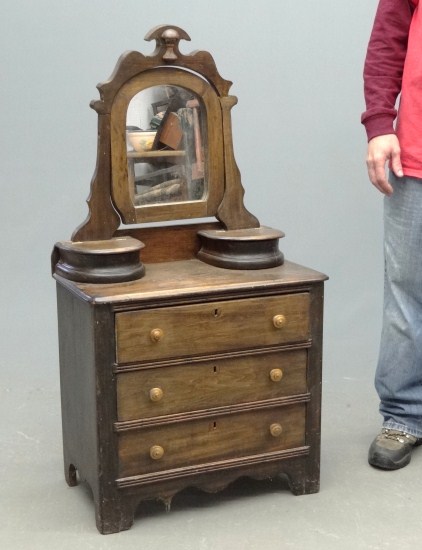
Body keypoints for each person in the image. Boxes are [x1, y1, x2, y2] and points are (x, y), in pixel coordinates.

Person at [362, 0, 422, 470]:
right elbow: (387, 41)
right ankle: (405, 415)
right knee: (406, 292)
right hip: (416, 159)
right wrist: (380, 124)